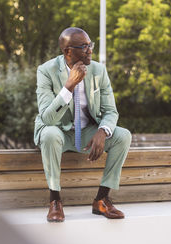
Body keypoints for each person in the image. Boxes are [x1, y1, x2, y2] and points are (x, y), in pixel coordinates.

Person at [34, 27, 131, 222]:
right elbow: (47, 119)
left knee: (123, 136)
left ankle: (102, 199)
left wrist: (103, 131)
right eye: (84, 46)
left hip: (87, 132)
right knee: (49, 134)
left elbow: (111, 111)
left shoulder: (98, 70)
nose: (90, 50)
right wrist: (69, 85)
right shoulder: (46, 71)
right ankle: (55, 201)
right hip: (58, 131)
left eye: (90, 45)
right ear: (68, 51)